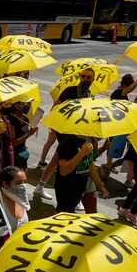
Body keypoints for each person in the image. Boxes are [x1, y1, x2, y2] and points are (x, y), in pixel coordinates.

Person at [35, 68, 97, 200]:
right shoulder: (70, 91)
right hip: (66, 132)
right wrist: (54, 126)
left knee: (68, 160)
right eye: (83, 76)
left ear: (93, 80)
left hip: (81, 132)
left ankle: (42, 186)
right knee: (61, 159)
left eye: (88, 77)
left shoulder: (90, 95)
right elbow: (56, 107)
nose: (85, 79)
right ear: (80, 77)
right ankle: (43, 186)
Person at [0, 166, 30, 231]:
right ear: (5, 184)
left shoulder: (22, 200)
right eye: (18, 183)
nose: (23, 186)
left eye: (25, 182)